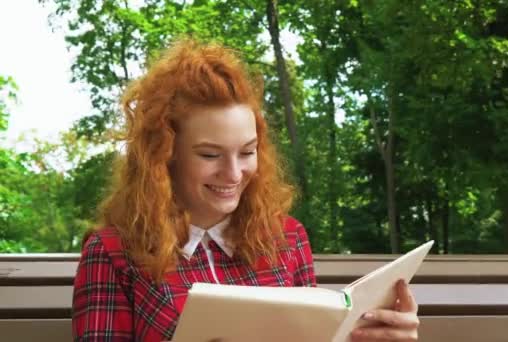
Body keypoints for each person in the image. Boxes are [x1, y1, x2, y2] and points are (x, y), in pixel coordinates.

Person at [72, 38, 420, 342]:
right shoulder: (115, 252)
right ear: (164, 156)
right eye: (210, 154)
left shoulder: (287, 238)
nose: (234, 173)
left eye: (247, 151)